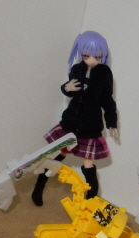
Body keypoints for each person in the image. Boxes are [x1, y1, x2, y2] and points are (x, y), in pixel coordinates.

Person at [32, 31, 118, 205]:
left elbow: (108, 100)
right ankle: (38, 188)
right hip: (71, 123)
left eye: (97, 56)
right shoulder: (77, 69)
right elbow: (70, 90)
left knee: (88, 164)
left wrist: (112, 122)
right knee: (56, 155)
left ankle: (91, 199)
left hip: (90, 127)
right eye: (86, 56)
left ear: (102, 55)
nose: (91, 60)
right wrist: (66, 88)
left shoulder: (104, 73)